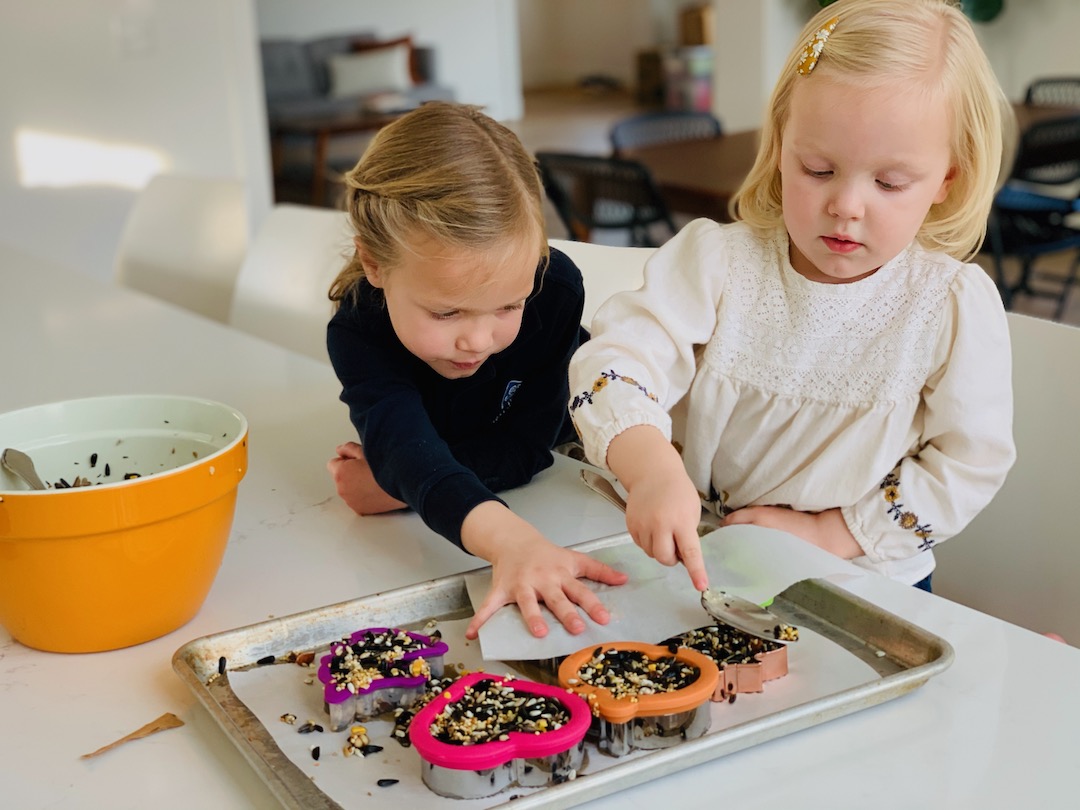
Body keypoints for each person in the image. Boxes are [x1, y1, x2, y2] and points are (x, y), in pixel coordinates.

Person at [567, 0, 1017, 593]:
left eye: (889, 183)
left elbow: (968, 462)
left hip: (863, 577)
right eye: (818, 168)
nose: (847, 206)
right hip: (701, 559)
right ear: (781, 146)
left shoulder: (951, 305)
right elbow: (616, 360)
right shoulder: (718, 261)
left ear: (946, 180)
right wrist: (650, 467)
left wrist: (834, 532)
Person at [326, 101, 628, 640]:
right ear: (374, 263)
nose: (478, 340)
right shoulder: (358, 329)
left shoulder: (553, 291)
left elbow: (529, 448)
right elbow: (402, 445)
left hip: (576, 461)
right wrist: (409, 473)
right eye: (446, 313)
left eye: (509, 307)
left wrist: (400, 487)